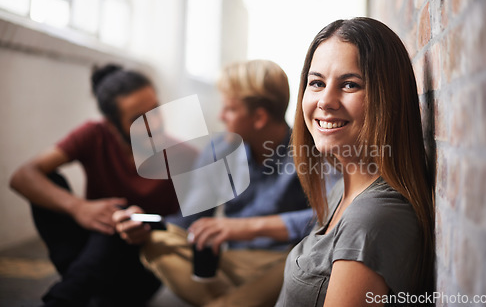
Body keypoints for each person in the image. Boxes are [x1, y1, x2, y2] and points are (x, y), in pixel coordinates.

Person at [114, 60, 332, 307]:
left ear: (259, 117)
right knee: (156, 243)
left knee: (305, 259)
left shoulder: (312, 152)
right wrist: (147, 223)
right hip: (230, 260)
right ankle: (241, 300)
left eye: (229, 109)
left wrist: (244, 228)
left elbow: (331, 220)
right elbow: (190, 220)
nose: (220, 116)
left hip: (284, 261)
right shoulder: (218, 150)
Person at [275, 17, 435, 306]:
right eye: (317, 83)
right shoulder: (345, 189)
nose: (325, 100)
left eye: (349, 85)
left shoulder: (371, 220)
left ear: (388, 97)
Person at [9, 64, 187, 307]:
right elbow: (22, 176)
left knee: (116, 222)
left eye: (156, 110)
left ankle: (65, 297)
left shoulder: (184, 157)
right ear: (112, 125)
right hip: (89, 260)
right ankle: (78, 290)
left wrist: (145, 225)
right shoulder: (95, 135)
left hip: (140, 272)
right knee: (51, 182)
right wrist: (79, 208)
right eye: (137, 119)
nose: (154, 123)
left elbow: (192, 230)